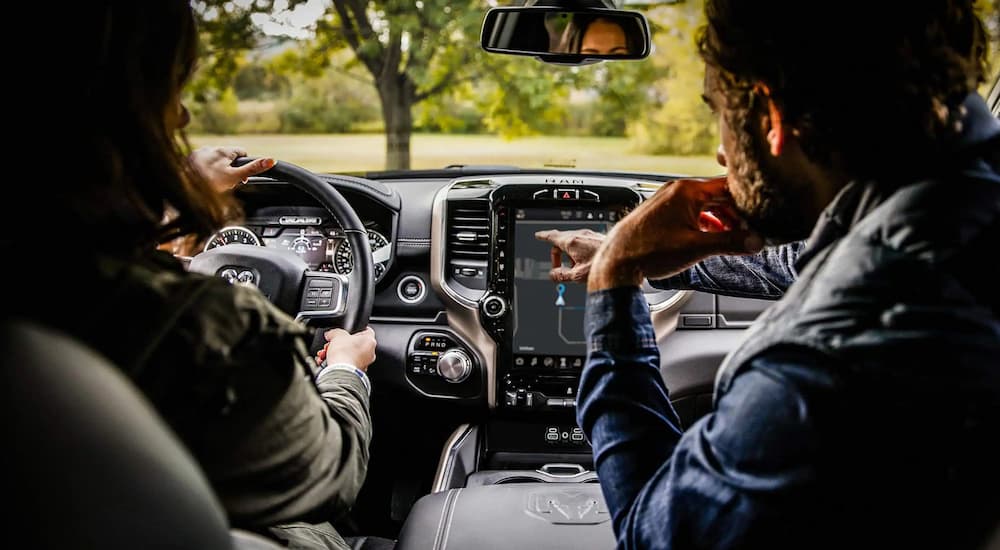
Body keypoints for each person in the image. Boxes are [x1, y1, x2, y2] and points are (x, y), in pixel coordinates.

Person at [558, 1, 1000, 548]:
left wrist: (616, 275)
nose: (720, 152)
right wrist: (654, 258)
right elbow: (806, 264)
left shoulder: (820, 371)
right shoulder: (955, 202)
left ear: (771, 115)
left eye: (717, 111)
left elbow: (653, 534)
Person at [3, 3, 382, 549]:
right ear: (113, 110)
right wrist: (346, 372)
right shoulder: (202, 332)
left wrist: (173, 194)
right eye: (169, 89)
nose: (181, 117)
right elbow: (330, 477)